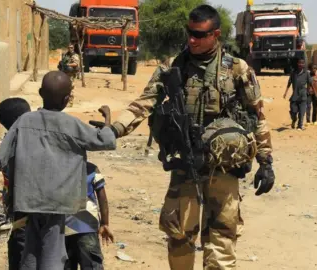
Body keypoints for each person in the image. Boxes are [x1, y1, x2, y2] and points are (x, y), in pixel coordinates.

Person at [109, 5, 275, 269]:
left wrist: (266, 161)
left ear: (216, 34)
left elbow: (257, 116)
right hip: (185, 164)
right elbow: (144, 103)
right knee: (179, 238)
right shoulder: (174, 67)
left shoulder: (237, 69)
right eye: (189, 33)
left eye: (199, 35)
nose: (192, 40)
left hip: (224, 168)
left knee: (222, 238)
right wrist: (115, 128)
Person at [0, 71, 116, 270]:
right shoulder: (71, 124)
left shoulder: (23, 122)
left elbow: (4, 156)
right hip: (57, 203)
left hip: (28, 201)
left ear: (41, 92)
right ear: (67, 99)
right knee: (53, 252)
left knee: (31, 250)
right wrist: (108, 120)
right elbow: (106, 140)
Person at [0, 97, 31, 269]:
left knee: (19, 251)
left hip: (20, 213)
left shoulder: (10, 143)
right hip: (26, 213)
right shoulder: (24, 143)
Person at [64, 162, 114, 270]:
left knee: (66, 264)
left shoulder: (58, 168)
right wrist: (104, 223)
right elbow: (102, 197)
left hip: (64, 227)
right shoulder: (91, 168)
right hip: (87, 226)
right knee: (91, 264)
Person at [283, 58, 314, 130]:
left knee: (302, 112)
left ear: (304, 65)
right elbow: (289, 83)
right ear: (297, 64)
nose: (301, 64)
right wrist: (285, 92)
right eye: (299, 63)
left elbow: (310, 82)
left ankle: (300, 125)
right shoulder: (293, 73)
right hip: (294, 96)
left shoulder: (306, 73)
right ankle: (294, 119)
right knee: (293, 111)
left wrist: (310, 90)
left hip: (303, 95)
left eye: (302, 63)